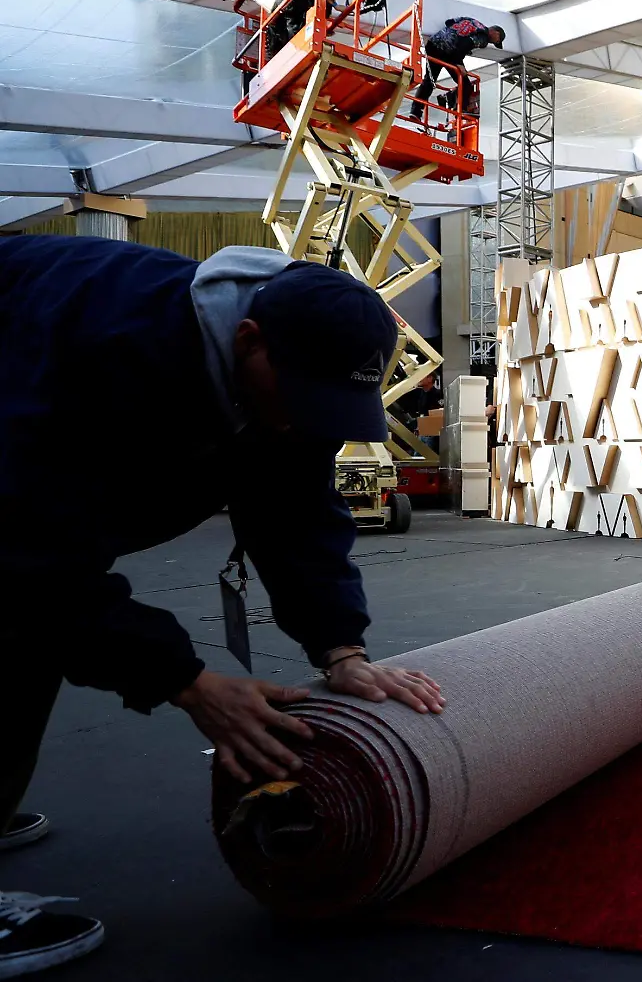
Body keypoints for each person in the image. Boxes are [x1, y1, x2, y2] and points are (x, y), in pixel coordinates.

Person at [0, 236, 445, 978]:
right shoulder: (108, 347)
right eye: (301, 402)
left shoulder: (302, 371)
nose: (306, 422)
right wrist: (187, 681)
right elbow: (24, 559)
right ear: (248, 341)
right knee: (18, 627)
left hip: (36, 505)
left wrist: (340, 647)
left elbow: (297, 510)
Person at [409, 17, 505, 123]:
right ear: (496, 33)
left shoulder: (472, 20)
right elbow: (464, 44)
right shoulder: (483, 38)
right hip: (449, 52)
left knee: (429, 80)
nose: (495, 42)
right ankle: (460, 111)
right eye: (498, 40)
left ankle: (415, 112)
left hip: (433, 44)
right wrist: (459, 63)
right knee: (465, 84)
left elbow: (449, 22)